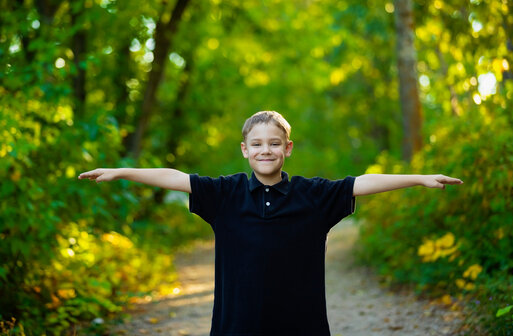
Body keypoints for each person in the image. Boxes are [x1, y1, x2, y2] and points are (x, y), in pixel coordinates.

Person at [79, 110, 463, 336]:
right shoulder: (225, 195)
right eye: (258, 144)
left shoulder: (313, 196)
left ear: (287, 148)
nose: (266, 150)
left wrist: (418, 178)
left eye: (274, 143)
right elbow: (176, 177)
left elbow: (362, 183)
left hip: (301, 327)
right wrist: (122, 171)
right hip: (236, 327)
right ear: (245, 150)